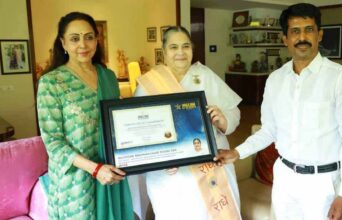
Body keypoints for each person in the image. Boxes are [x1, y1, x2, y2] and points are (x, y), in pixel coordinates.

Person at [215, 3, 342, 220]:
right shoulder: (275, 80)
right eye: (295, 31)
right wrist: (238, 152)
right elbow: (269, 131)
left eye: (309, 29)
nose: (302, 37)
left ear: (319, 35)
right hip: (284, 178)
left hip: (321, 183)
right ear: (285, 39)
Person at [130, 26, 242, 220]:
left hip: (210, 167)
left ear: (192, 48)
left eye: (185, 46)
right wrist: (160, 161)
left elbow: (234, 113)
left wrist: (223, 121)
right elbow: (139, 135)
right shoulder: (149, 84)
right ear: (164, 52)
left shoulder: (205, 75)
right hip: (169, 175)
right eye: (173, 47)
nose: (180, 52)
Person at [36, 12, 133, 219]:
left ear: (97, 40)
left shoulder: (108, 77)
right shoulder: (51, 82)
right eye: (74, 38)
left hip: (111, 172)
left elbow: (117, 124)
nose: (83, 44)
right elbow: (53, 142)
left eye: (89, 37)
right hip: (76, 180)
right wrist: (95, 169)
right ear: (63, 42)